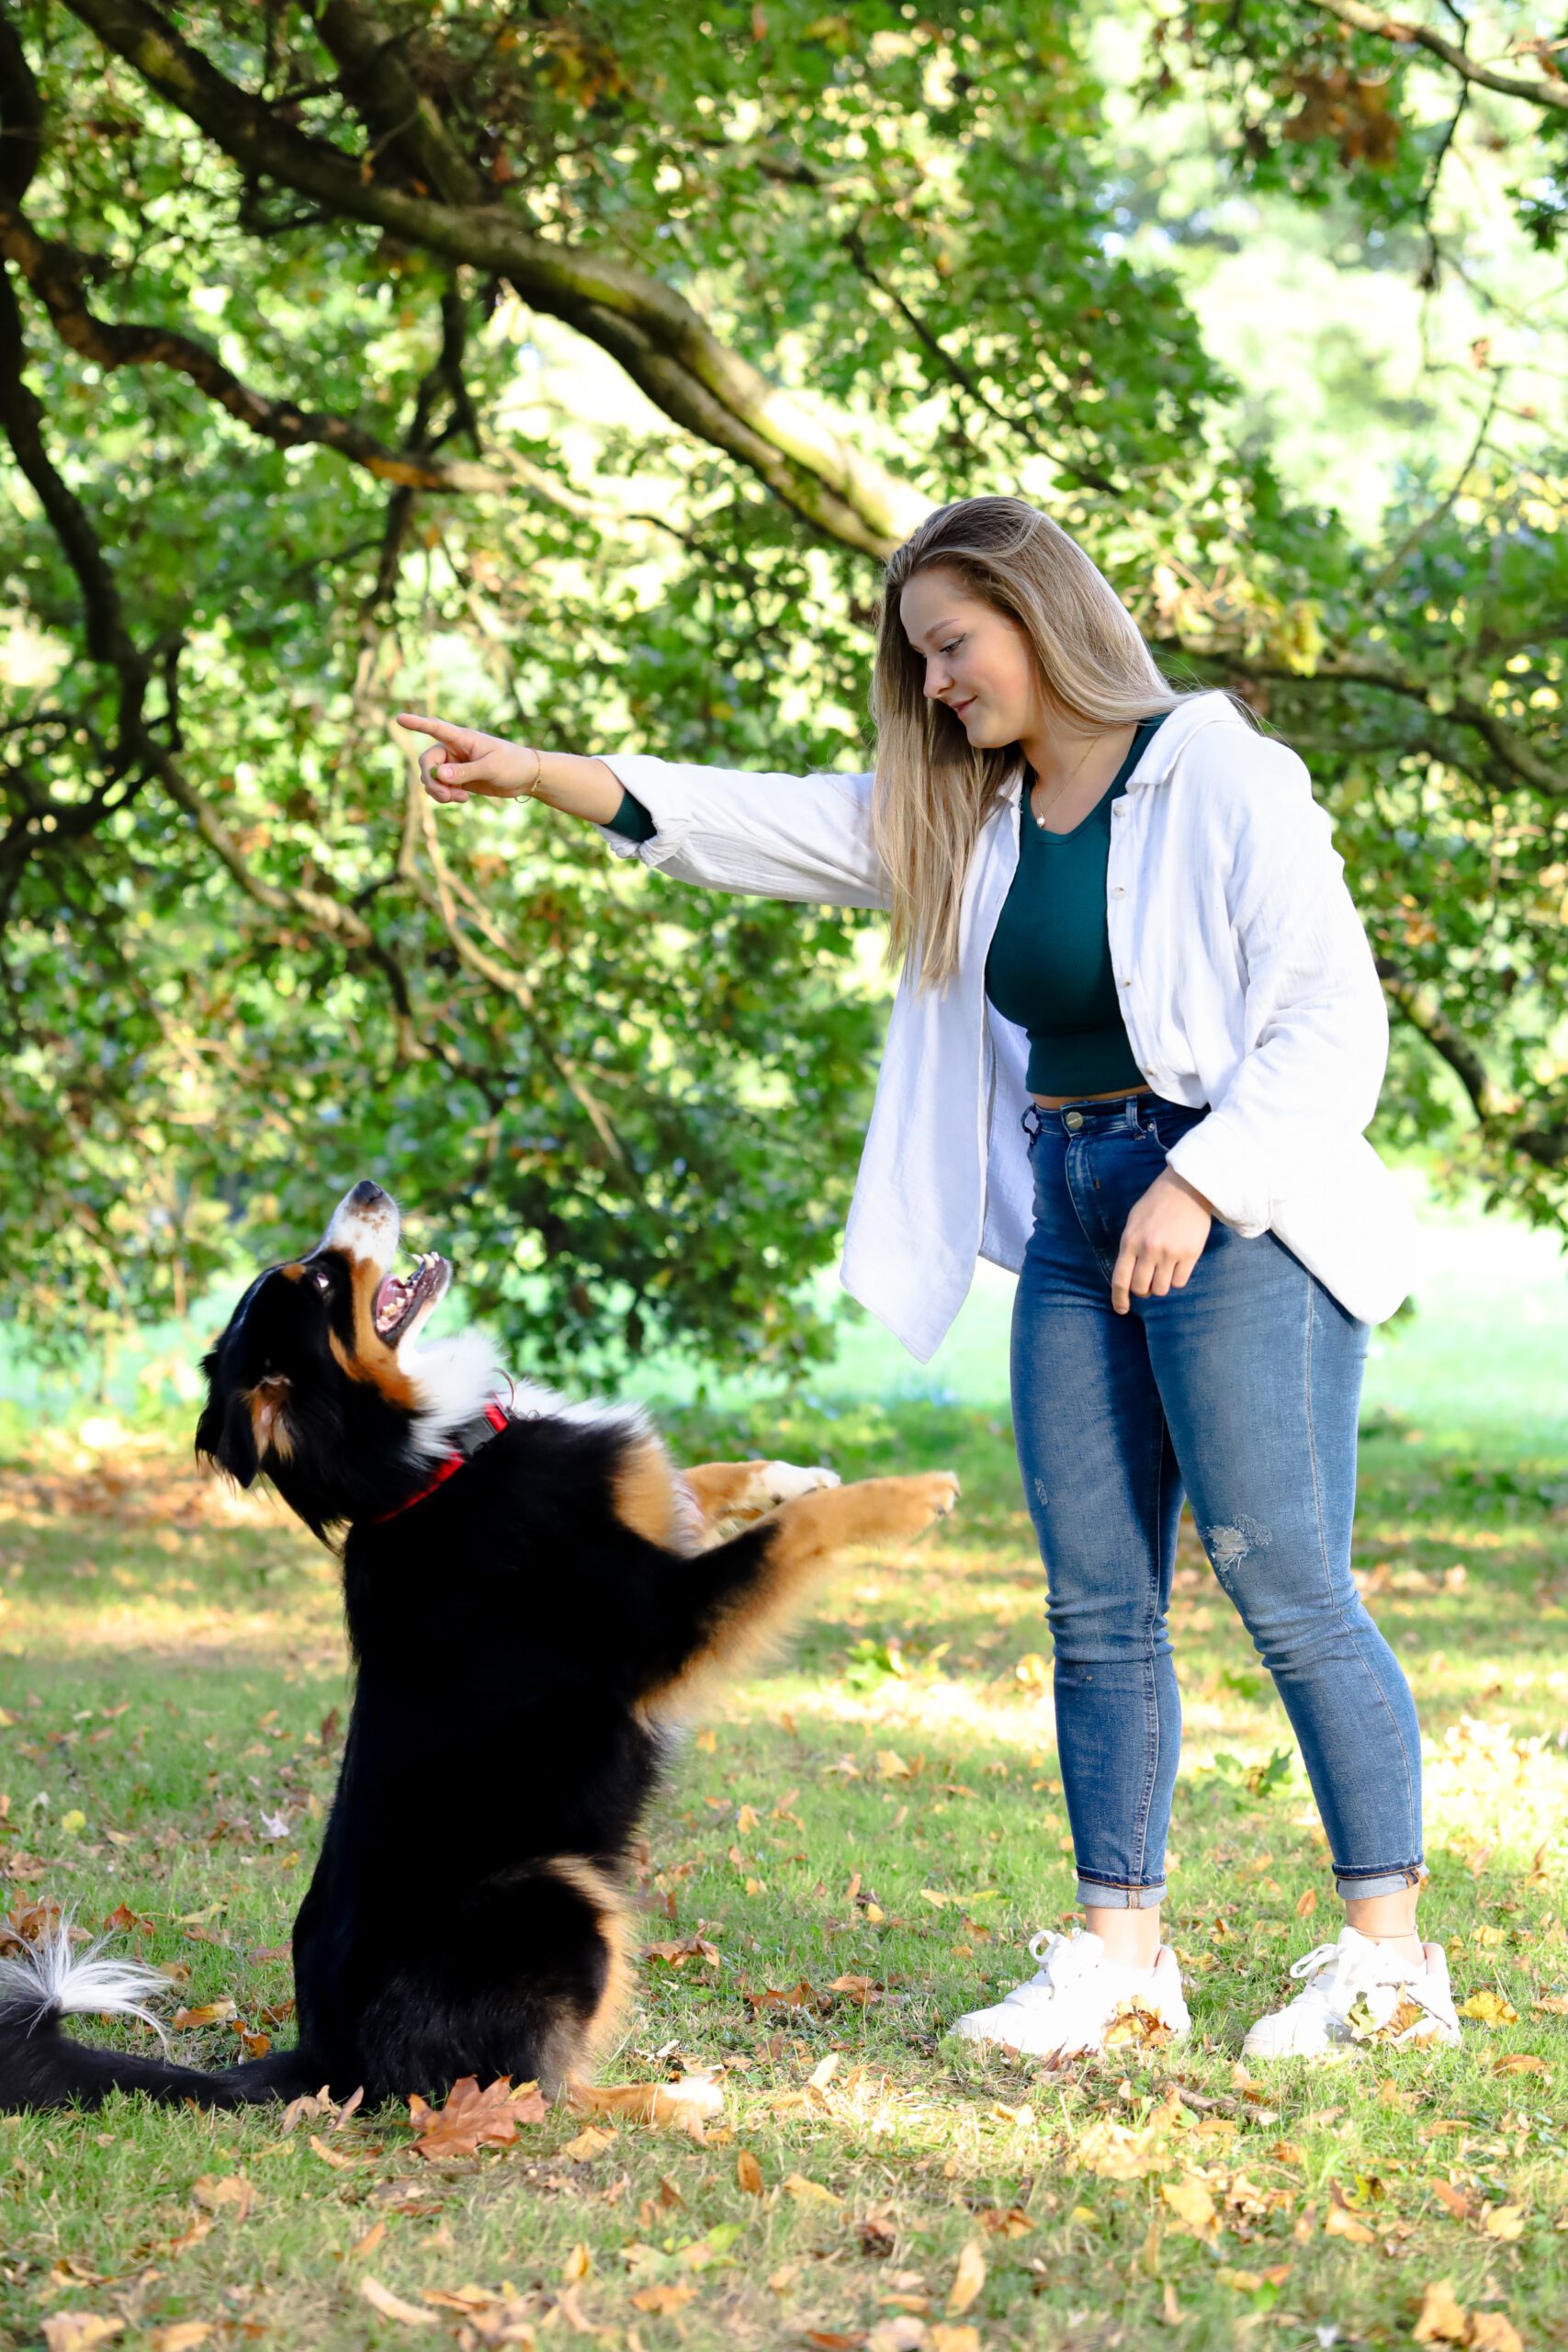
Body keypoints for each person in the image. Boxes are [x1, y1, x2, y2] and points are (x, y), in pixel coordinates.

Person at [398, 493, 1459, 2064]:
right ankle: (1121, 1964)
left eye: (954, 647)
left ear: (1041, 616)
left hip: (1240, 1212)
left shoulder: (1224, 770)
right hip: (1074, 1212)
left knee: (1285, 1583)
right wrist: (541, 774)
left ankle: (1389, 1968)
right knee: (1096, 1603)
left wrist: (1204, 1178)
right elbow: (768, 822)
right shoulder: (974, 808)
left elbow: (1331, 1029)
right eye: (923, 661)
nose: (940, 684)